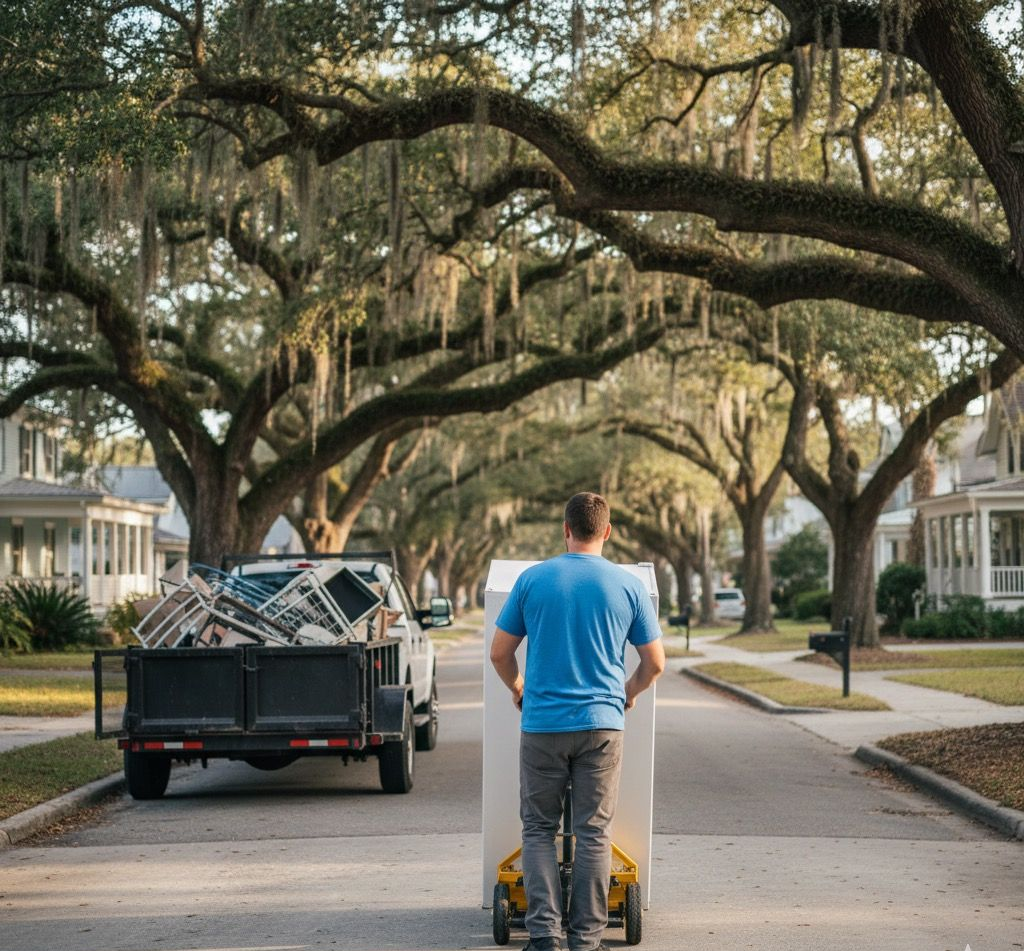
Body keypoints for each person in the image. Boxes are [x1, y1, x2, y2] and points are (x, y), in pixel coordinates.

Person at [489, 492, 666, 951]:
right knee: (593, 831)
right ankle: (585, 940)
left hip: (543, 724)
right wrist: (626, 693)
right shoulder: (627, 586)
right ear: (607, 531)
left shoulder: (533, 580)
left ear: (565, 529)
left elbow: (500, 653)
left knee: (538, 830)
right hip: (603, 726)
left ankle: (544, 936)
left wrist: (518, 687)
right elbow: (656, 663)